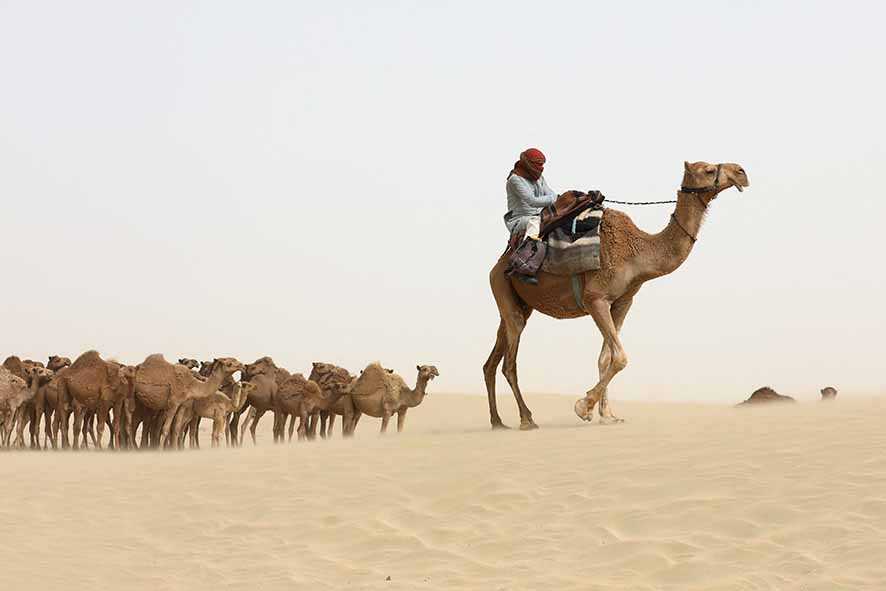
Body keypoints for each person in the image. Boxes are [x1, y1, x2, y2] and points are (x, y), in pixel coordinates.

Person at [503, 148, 558, 241]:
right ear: (528, 164)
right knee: (535, 222)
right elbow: (532, 201)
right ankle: (529, 248)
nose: (541, 168)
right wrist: (555, 198)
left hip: (542, 215)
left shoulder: (539, 178)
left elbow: (550, 193)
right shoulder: (515, 180)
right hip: (520, 220)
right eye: (538, 164)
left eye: (542, 165)